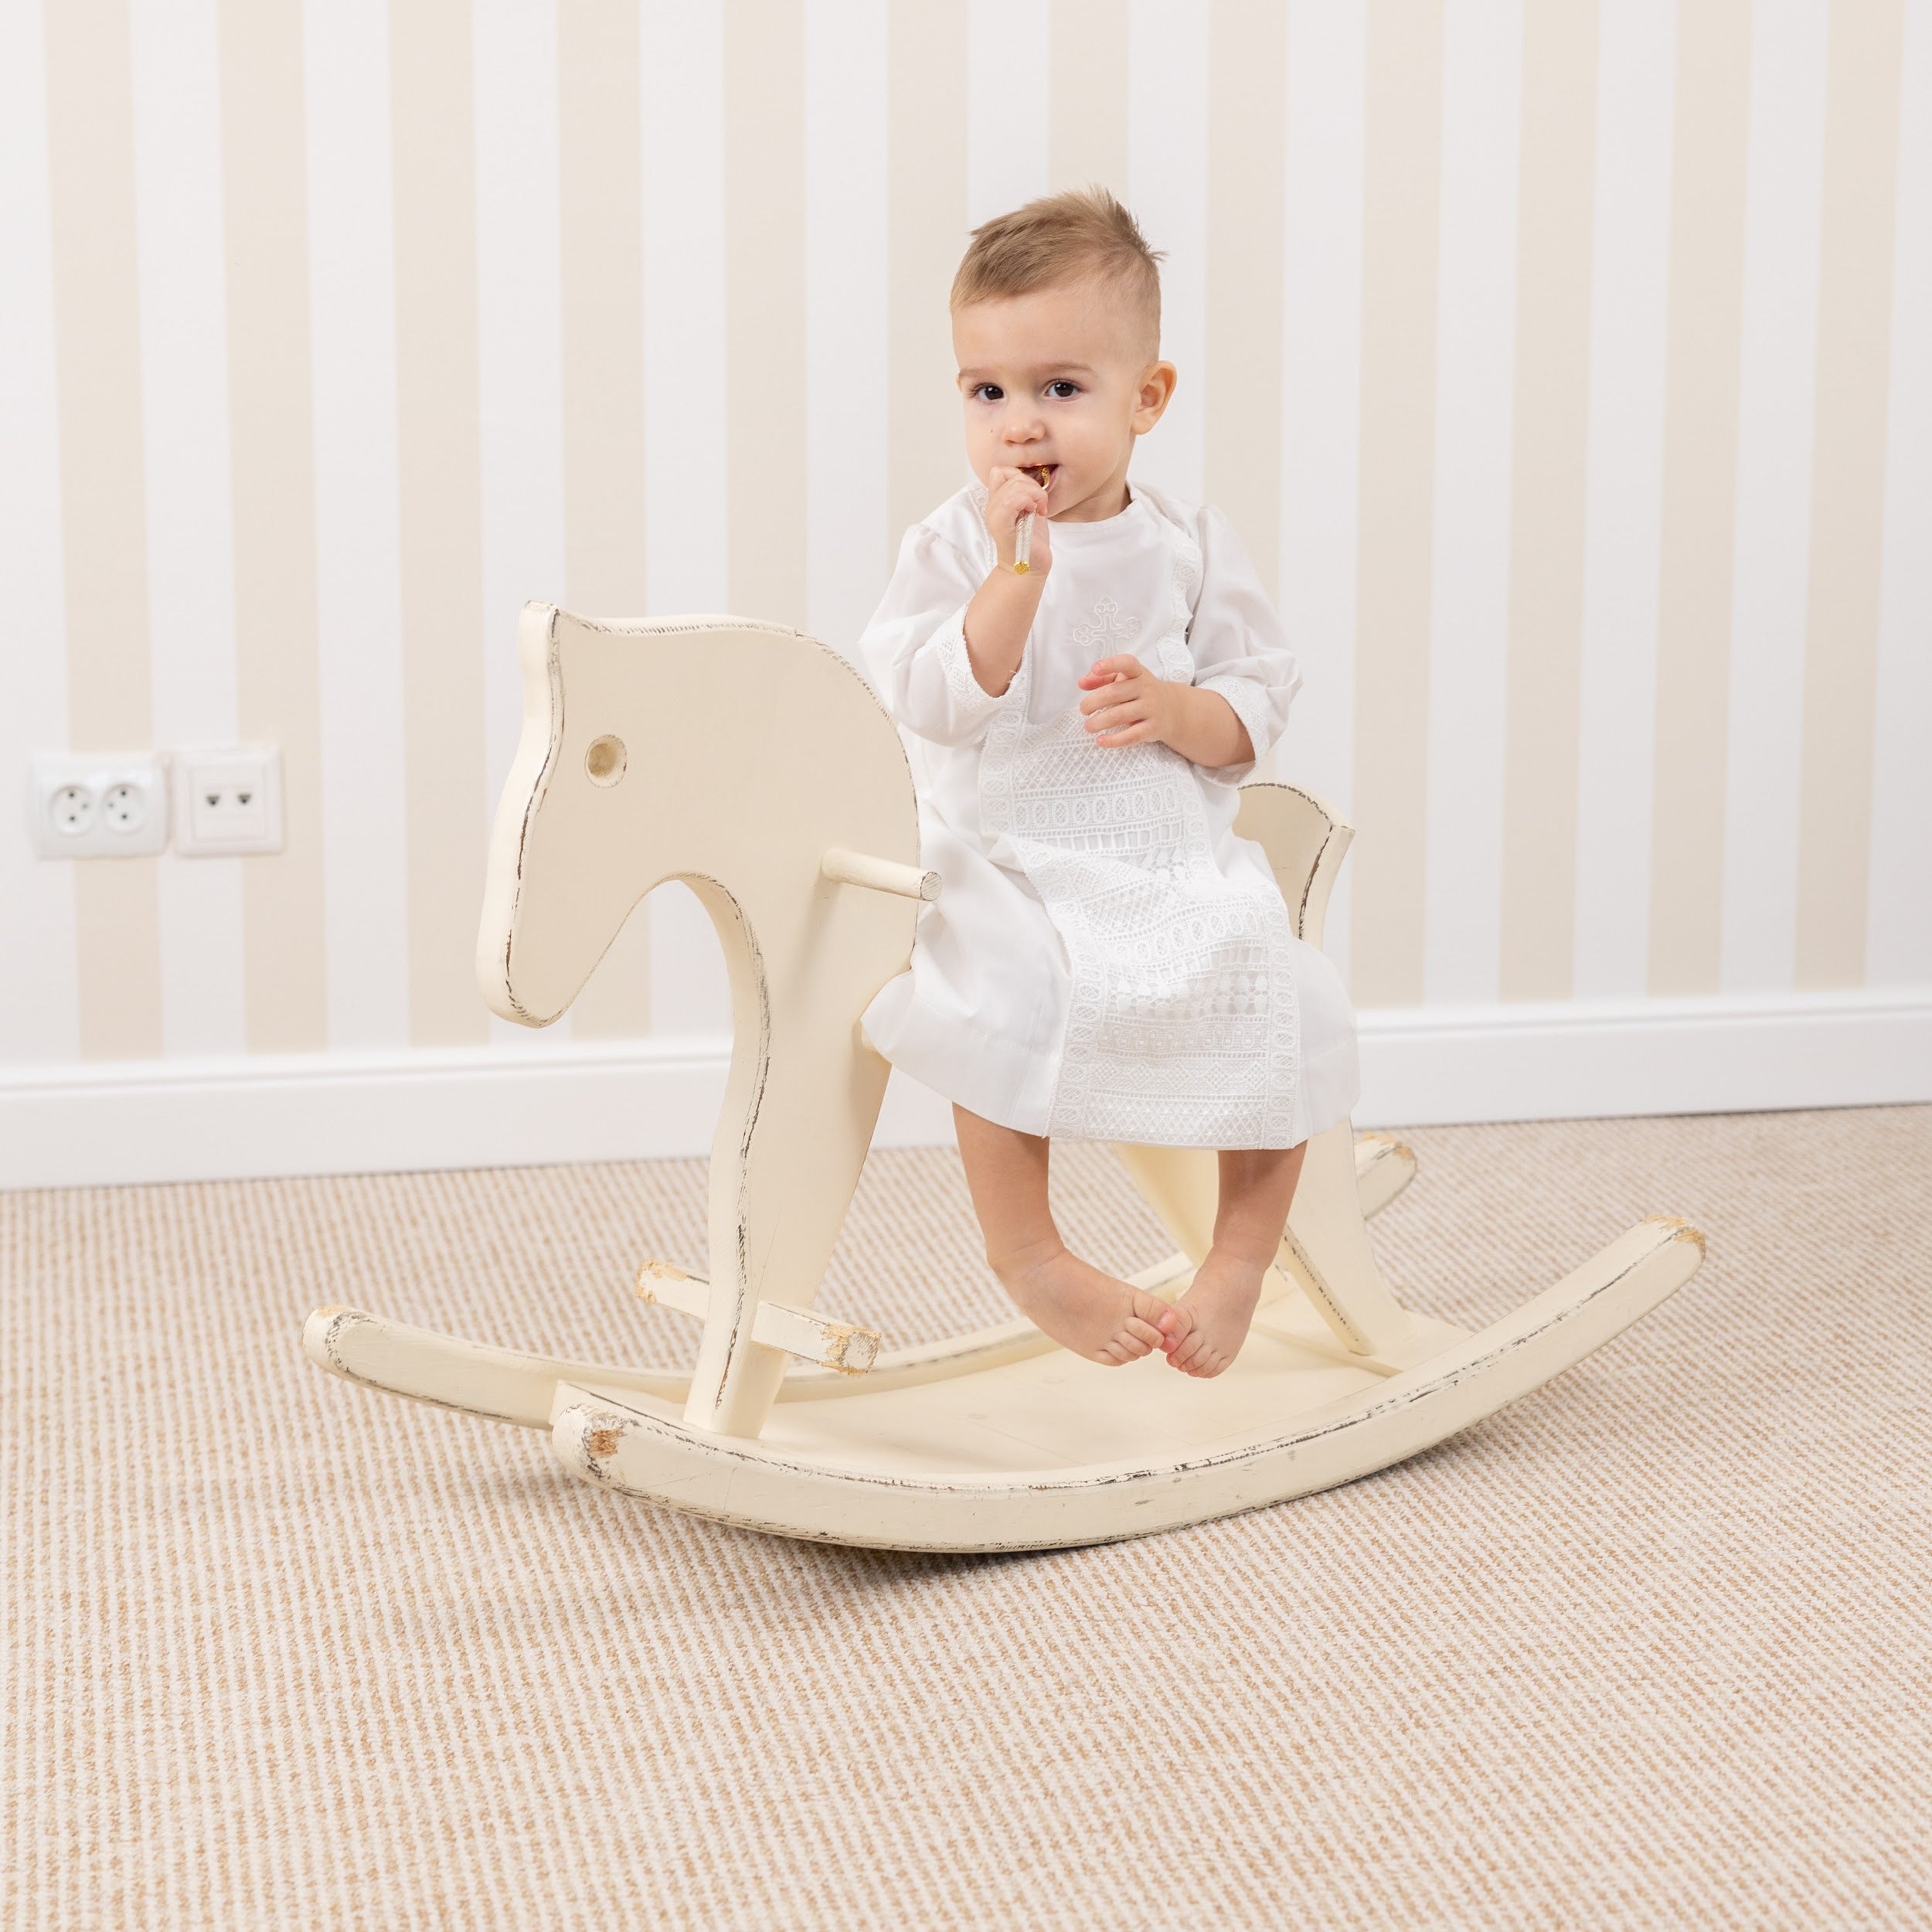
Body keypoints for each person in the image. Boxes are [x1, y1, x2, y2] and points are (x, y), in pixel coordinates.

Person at [859, 189, 1359, 1379]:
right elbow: (922, 699)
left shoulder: (1185, 547)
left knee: (1282, 988)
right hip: (1000, 843)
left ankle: (1239, 1258)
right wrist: (1010, 590)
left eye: (1061, 388)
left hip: (1153, 842)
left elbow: (1256, 702)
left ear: (1147, 398)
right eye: (988, 393)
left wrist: (1180, 712)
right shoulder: (955, 547)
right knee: (1004, 985)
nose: (1020, 425)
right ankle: (1029, 1252)